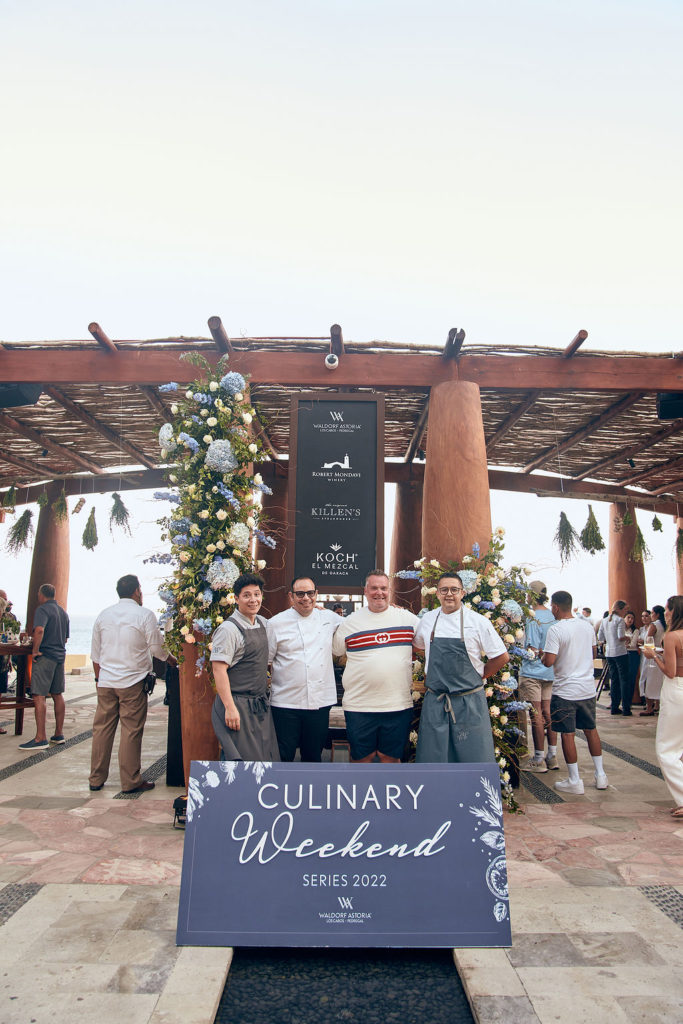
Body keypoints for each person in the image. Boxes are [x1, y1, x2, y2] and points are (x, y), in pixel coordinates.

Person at [90, 574, 175, 793]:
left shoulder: (103, 615)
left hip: (106, 681)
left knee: (101, 730)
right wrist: (172, 660)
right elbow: (157, 648)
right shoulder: (145, 615)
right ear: (137, 591)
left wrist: (99, 680)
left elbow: (96, 655)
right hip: (133, 681)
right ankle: (130, 781)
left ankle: (96, 778)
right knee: (131, 731)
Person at [413, 573, 509, 763]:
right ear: (437, 594)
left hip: (469, 704)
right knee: (433, 760)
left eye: (454, 590)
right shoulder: (428, 620)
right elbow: (417, 647)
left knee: (474, 760)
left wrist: (479, 675)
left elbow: (501, 657)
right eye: (444, 590)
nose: (449, 594)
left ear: (463, 593)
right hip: (436, 703)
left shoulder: (478, 621)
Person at [332, 570, 418, 763]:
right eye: (374, 588)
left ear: (389, 590)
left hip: (397, 704)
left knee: (390, 759)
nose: (379, 592)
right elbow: (337, 651)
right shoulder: (349, 622)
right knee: (362, 759)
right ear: (365, 591)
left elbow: (425, 642)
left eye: (383, 588)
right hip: (359, 705)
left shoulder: (407, 619)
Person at [266, 576, 340, 761]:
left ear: (316, 594)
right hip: (285, 703)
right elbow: (266, 660)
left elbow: (358, 623)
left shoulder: (329, 617)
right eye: (300, 594)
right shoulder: (275, 623)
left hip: (319, 702)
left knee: (313, 755)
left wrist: (391, 609)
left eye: (310, 593)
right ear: (291, 596)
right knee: (283, 756)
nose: (306, 598)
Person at [542, 590, 608, 794]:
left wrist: (541, 656)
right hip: (587, 688)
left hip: (565, 690)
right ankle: (601, 775)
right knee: (591, 730)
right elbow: (593, 653)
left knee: (567, 734)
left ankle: (574, 780)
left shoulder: (556, 630)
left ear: (555, 607)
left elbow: (549, 661)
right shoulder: (586, 626)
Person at [210, 573, 279, 761]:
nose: (253, 600)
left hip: (258, 706)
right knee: (238, 763)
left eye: (257, 594)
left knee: (263, 760)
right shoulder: (228, 630)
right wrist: (230, 708)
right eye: (247, 595)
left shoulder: (264, 624)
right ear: (236, 598)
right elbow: (219, 670)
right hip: (236, 704)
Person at [641, 595, 683, 817]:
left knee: (666, 749)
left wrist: (652, 656)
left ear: (675, 612)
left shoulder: (672, 636)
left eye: (668, 609)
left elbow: (671, 671)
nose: (665, 613)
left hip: (676, 690)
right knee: (678, 747)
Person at [18, 584, 69, 750]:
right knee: (57, 694)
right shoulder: (63, 612)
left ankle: (40, 738)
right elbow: (65, 638)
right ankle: (59, 734)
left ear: (41, 595)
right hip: (60, 656)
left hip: (46, 655)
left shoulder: (42, 610)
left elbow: (39, 630)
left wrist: (35, 650)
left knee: (39, 695)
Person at [519, 581, 558, 772]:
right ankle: (552, 756)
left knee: (536, 714)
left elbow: (532, 649)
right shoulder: (553, 616)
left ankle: (538, 758)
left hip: (532, 671)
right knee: (547, 712)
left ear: (531, 595)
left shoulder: (533, 617)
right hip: (549, 671)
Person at [598, 600, 631, 715]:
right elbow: (621, 636)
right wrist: (628, 638)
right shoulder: (620, 620)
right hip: (620, 652)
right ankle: (626, 708)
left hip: (609, 653)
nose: (626, 612)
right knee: (624, 680)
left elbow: (600, 637)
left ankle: (614, 706)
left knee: (614, 680)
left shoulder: (605, 620)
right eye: (625, 610)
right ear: (620, 609)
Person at [642, 605, 666, 715]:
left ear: (657, 614)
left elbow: (648, 640)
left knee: (649, 681)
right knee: (659, 681)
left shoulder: (654, 625)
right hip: (662, 655)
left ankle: (649, 707)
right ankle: (657, 704)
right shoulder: (665, 625)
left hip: (652, 655)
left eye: (652, 613)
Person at [623, 611, 642, 708]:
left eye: (632, 618)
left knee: (631, 679)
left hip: (632, 655)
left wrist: (625, 644)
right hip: (622, 654)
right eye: (628, 617)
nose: (630, 620)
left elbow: (633, 645)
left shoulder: (635, 630)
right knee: (622, 679)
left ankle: (628, 702)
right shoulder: (620, 629)